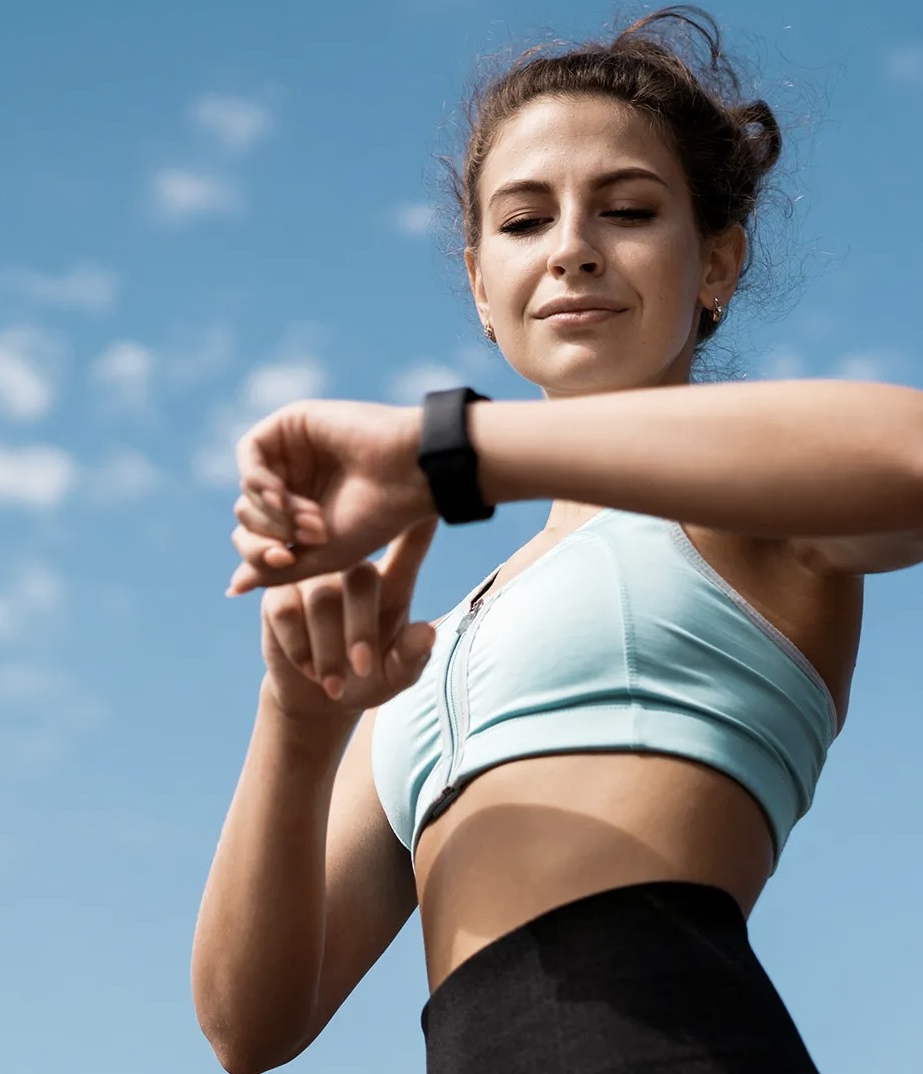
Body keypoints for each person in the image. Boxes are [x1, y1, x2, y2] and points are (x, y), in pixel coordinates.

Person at [192, 8, 923, 1072]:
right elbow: (247, 1027)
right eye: (526, 221)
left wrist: (451, 451)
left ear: (717, 265)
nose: (573, 249)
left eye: (627, 210)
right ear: (481, 287)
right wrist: (298, 723)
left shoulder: (744, 505)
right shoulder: (434, 646)